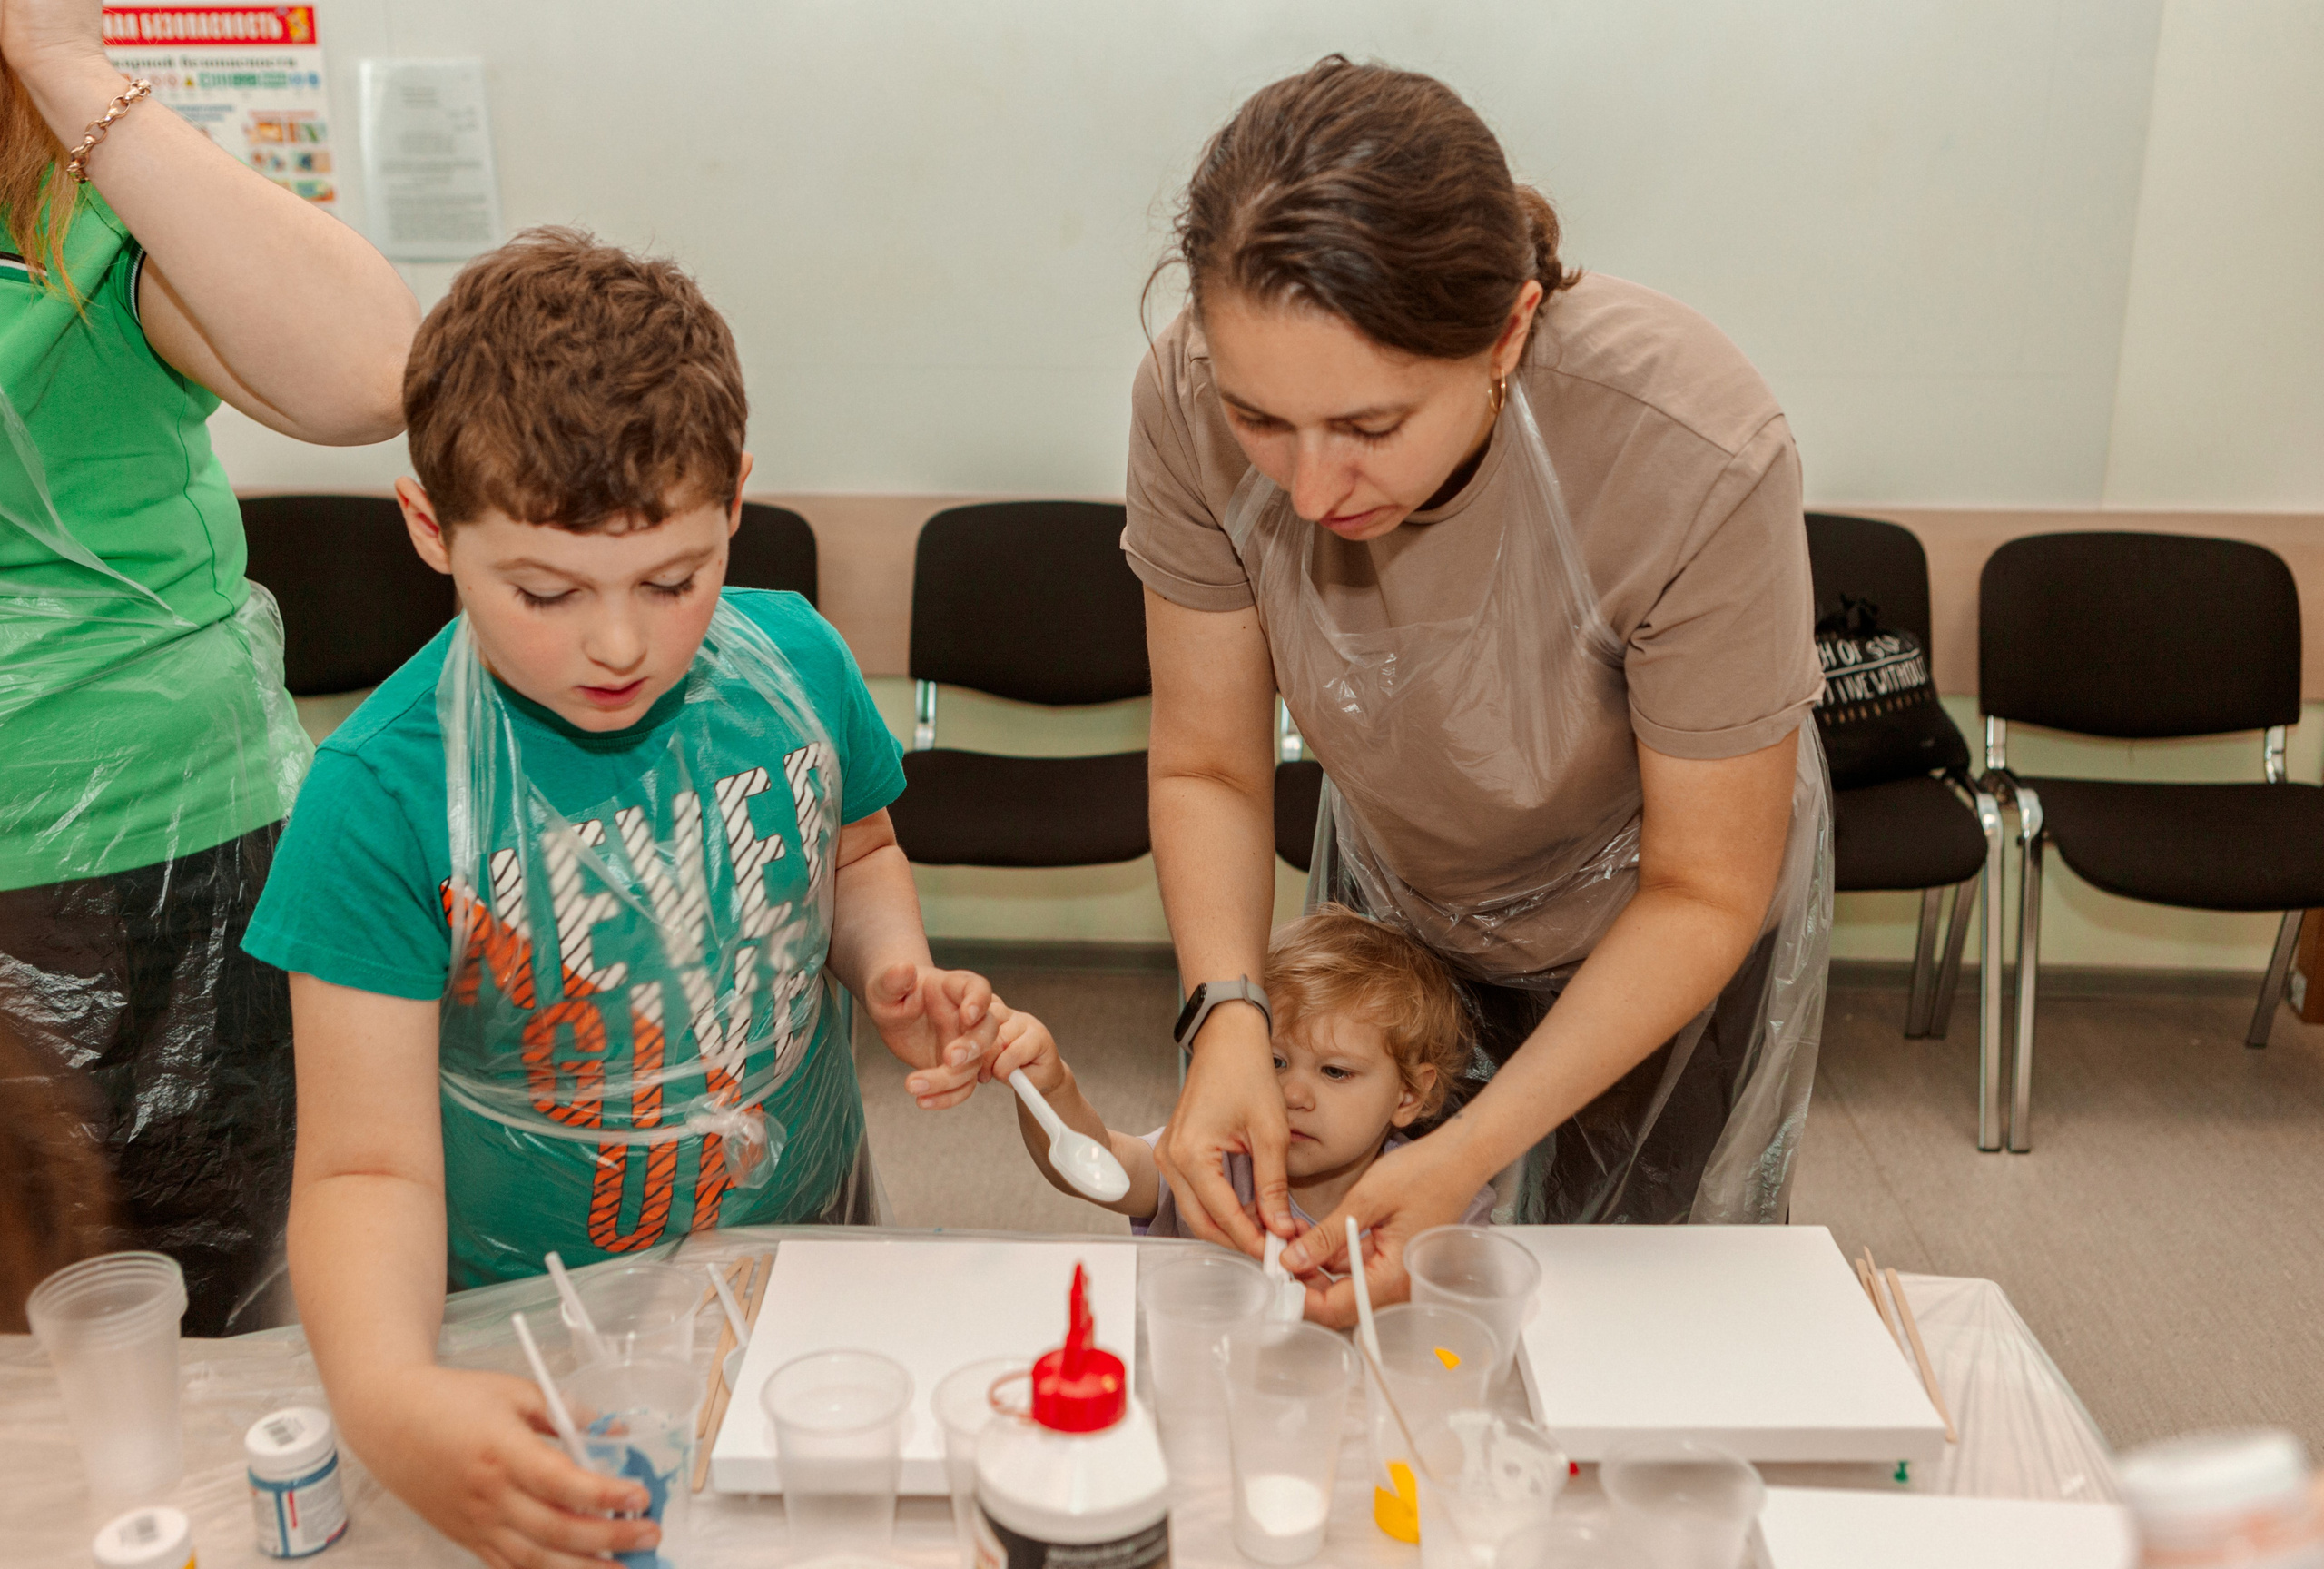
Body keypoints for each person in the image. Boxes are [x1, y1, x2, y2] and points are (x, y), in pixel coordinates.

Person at [241, 231, 1000, 1566]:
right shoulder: (380, 796)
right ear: (431, 527)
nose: (619, 643)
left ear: (737, 506)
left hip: (810, 1241)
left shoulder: (797, 664)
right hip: (536, 1323)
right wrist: (389, 1396)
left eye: (675, 578)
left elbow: (859, 847)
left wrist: (889, 964)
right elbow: (364, 1164)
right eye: (544, 589)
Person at [1128, 58, 1832, 1321]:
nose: (1308, 492)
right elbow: (1211, 767)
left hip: (1657, 907)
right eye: (1261, 423)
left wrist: (1464, 1149)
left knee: (1628, 1304)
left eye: (1372, 427)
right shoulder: (1184, 399)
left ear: (1505, 333)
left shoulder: (1690, 447)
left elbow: (1702, 883)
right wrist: (1228, 1013)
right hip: (1404, 877)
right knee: (1354, 1296)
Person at [0, 0, 418, 1333]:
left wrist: (65, 69)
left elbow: (367, 372)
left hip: (164, 864)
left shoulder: (72, 202)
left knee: (221, 1326)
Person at [996, 905, 1494, 1243]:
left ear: (1410, 1093)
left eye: (1336, 1072)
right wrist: (1048, 1089)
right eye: (1274, 1061)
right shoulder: (1213, 1157)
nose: (1292, 1094)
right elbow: (1091, 1166)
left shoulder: (1442, 1200)